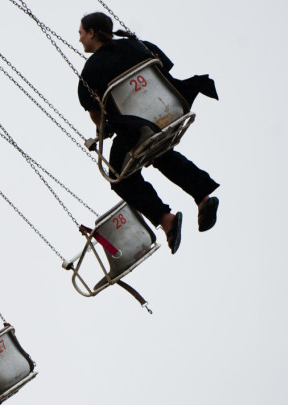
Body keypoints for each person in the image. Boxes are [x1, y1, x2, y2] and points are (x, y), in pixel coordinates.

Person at [77, 11, 221, 255]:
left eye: (81, 33)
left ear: (92, 33)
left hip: (137, 129)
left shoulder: (90, 72)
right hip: (171, 110)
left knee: (120, 176)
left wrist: (104, 131)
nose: (79, 39)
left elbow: (98, 119)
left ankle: (166, 219)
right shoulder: (138, 44)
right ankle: (202, 197)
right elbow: (163, 71)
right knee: (159, 152)